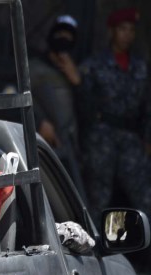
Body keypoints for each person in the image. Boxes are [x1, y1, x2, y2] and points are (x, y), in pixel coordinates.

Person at [78, 7, 151, 223]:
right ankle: (97, 249)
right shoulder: (93, 65)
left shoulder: (140, 67)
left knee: (145, 197)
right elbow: (84, 105)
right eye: (122, 29)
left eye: (131, 29)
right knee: (99, 199)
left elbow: (147, 106)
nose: (127, 34)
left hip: (131, 138)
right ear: (112, 31)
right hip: (102, 138)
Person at [30, 15, 87, 200]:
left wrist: (77, 81)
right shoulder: (35, 68)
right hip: (44, 147)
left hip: (72, 149)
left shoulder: (81, 70)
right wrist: (40, 123)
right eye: (60, 33)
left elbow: (91, 111)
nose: (64, 38)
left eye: (69, 35)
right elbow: (15, 97)